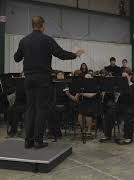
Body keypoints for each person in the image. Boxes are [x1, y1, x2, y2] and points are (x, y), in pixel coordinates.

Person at [14, 16, 85, 149]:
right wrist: (75, 55)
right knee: (41, 109)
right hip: (42, 79)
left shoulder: (24, 41)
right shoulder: (47, 40)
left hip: (28, 79)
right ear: (42, 26)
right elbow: (61, 54)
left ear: (32, 25)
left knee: (30, 109)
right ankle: (38, 141)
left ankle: (28, 141)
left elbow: (16, 58)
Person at [116, 68, 134, 145]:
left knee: (127, 113)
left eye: (125, 77)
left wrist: (126, 91)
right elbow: (119, 101)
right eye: (122, 77)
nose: (123, 79)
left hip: (133, 107)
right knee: (109, 111)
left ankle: (128, 137)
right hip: (123, 106)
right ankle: (107, 135)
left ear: (130, 76)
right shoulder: (120, 87)